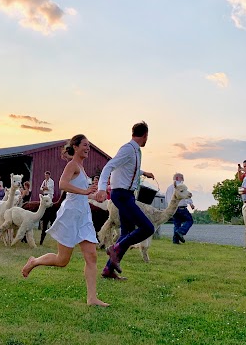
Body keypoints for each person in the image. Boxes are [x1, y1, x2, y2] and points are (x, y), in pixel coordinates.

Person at [22, 134, 109, 307]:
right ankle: (34, 261)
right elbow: (62, 184)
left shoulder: (82, 169)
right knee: (62, 260)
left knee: (91, 256)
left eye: (89, 146)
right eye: (85, 145)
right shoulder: (72, 165)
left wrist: (93, 195)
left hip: (83, 215)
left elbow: (81, 192)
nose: (88, 148)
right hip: (70, 214)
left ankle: (92, 298)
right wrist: (85, 192)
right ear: (75, 147)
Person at [95, 121, 155, 280]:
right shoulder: (128, 148)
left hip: (126, 194)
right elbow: (109, 166)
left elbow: (128, 167)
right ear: (145, 135)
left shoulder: (135, 151)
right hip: (121, 194)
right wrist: (101, 188)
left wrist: (144, 173)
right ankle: (116, 248)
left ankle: (108, 270)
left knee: (127, 232)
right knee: (147, 228)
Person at [165, 173, 195, 244]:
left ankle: (175, 241)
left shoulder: (169, 188)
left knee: (177, 224)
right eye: (182, 178)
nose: (183, 179)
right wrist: (191, 203)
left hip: (173, 209)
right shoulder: (181, 186)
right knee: (189, 220)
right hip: (181, 207)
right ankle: (181, 231)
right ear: (178, 178)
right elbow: (185, 195)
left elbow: (166, 199)